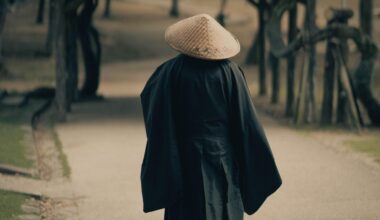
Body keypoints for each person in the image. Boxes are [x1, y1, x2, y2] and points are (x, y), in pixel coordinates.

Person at [140, 13, 282, 220]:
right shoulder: (231, 72)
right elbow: (246, 122)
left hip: (182, 158)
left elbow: (156, 114)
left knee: (185, 211)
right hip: (222, 158)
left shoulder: (169, 72)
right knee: (223, 209)